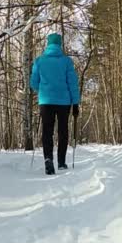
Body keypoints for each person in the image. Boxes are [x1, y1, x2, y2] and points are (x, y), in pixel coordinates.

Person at [30, 32, 80, 175]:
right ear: (59, 44)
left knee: (47, 131)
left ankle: (48, 159)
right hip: (64, 102)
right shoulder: (66, 61)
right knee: (63, 131)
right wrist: (75, 103)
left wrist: (43, 90)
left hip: (45, 101)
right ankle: (62, 162)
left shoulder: (39, 61)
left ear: (48, 44)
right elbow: (73, 84)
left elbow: (33, 83)